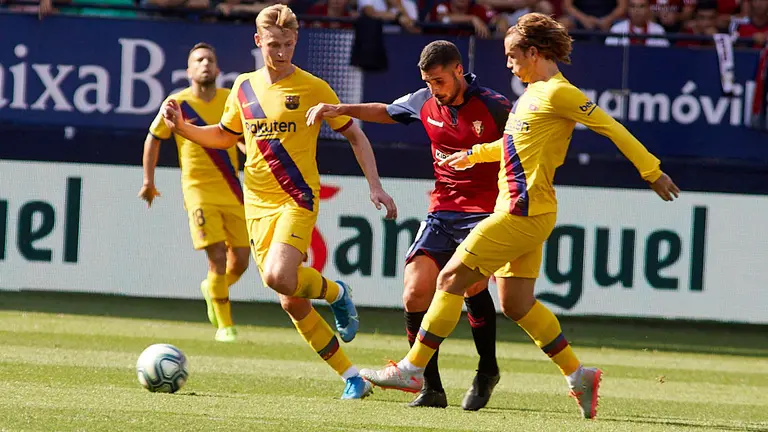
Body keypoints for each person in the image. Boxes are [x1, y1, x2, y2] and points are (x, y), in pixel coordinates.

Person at [360, 12, 680, 419]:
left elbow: (611, 128)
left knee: (450, 278)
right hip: (527, 211)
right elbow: (511, 147)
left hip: (520, 211)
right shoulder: (531, 95)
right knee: (516, 303)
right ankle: (578, 375)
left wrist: (651, 170)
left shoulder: (559, 93)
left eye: (513, 56)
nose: (508, 64)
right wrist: (472, 154)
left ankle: (412, 368)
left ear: (534, 52)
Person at [159, 4, 398, 399]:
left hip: (296, 198)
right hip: (255, 203)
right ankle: (352, 377)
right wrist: (183, 127)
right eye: (274, 44)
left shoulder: (313, 88)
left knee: (277, 277)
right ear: (259, 41)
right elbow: (224, 135)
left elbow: (356, 134)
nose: (282, 52)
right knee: (290, 301)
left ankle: (337, 293)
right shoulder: (244, 87)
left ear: (296, 41)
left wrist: (375, 185)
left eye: (288, 44)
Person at [306, 40, 509, 411]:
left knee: (472, 285)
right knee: (415, 292)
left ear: (458, 71)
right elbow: (385, 111)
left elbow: (523, 146)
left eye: (440, 81)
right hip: (443, 210)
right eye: (429, 82)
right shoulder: (425, 101)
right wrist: (339, 108)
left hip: (486, 211)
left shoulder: (495, 107)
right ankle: (430, 387)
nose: (434, 89)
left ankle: (487, 370)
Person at [140, 43, 249, 343]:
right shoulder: (176, 103)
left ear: (217, 70)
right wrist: (149, 181)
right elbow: (154, 139)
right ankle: (225, 326)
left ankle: (213, 288)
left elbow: (238, 136)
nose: (204, 64)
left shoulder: (231, 100)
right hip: (198, 190)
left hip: (231, 188)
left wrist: (249, 152)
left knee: (240, 259)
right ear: (189, 71)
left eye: (210, 60)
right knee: (217, 257)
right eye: (198, 60)